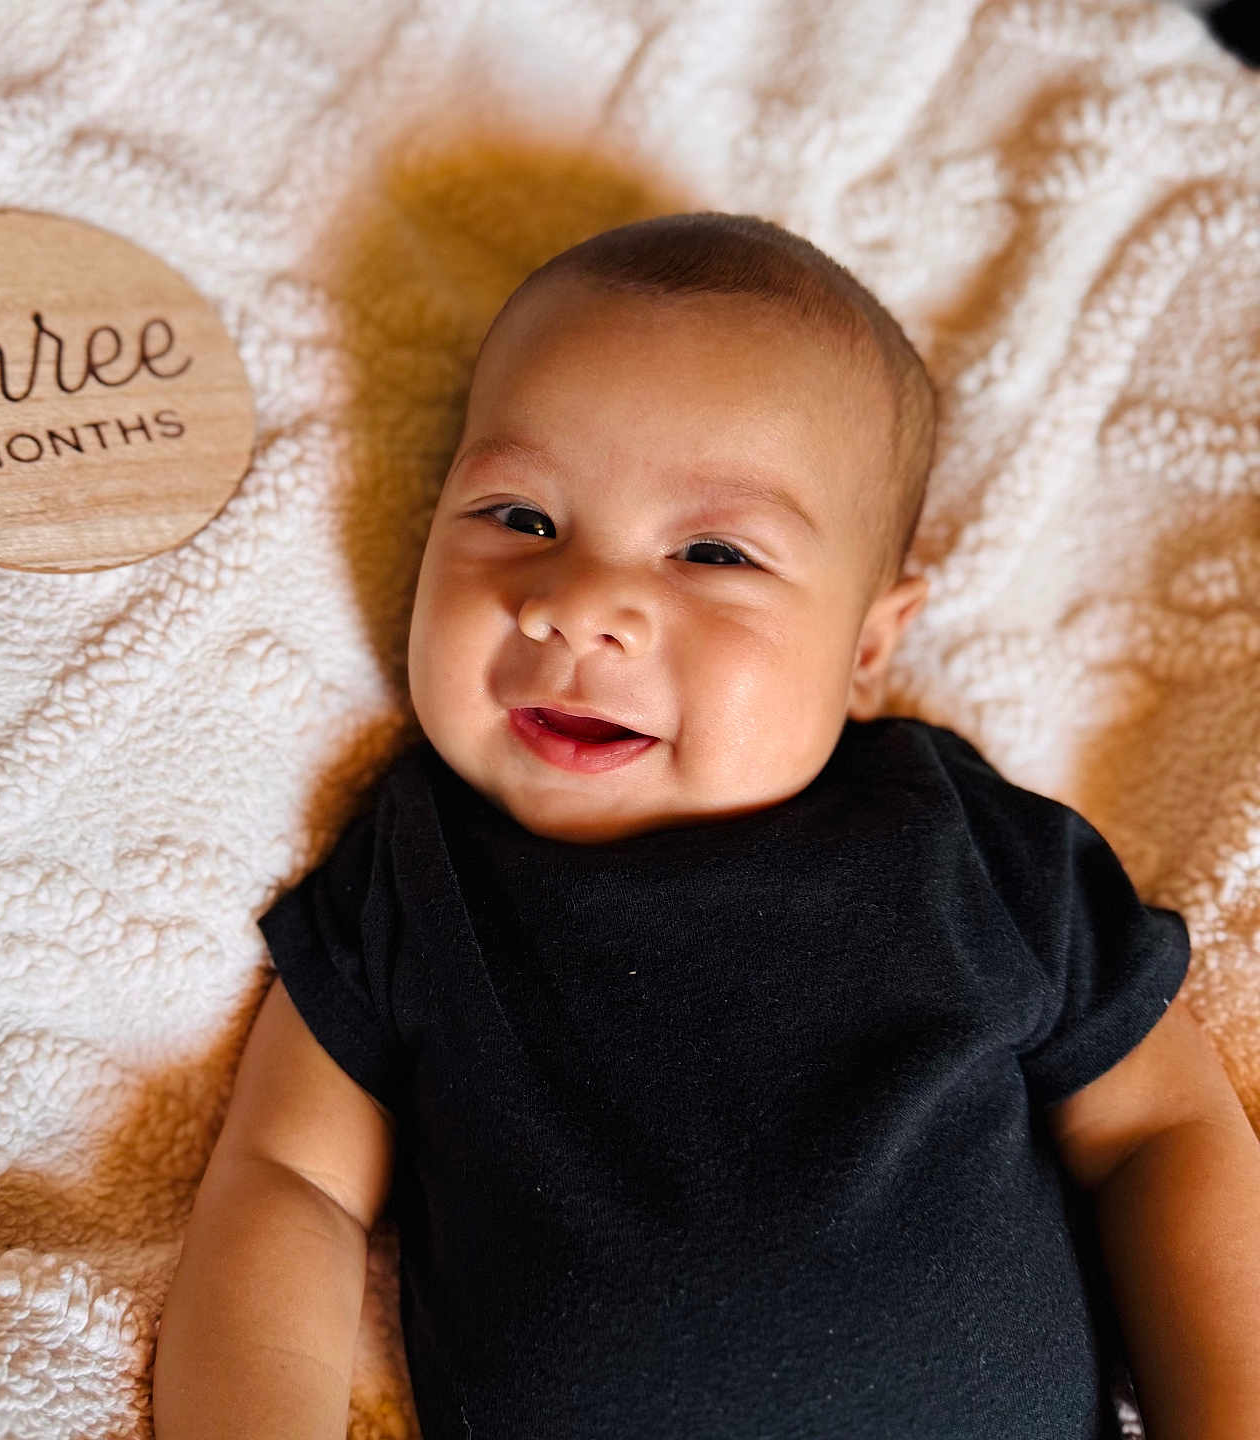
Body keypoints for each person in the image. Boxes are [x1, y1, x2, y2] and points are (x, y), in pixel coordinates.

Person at [152, 213, 1260, 1440]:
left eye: (715, 551)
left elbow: (1164, 1132)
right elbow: (287, 1185)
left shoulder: (961, 848)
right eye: (519, 516)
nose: (579, 607)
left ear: (867, 648)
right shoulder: (419, 873)